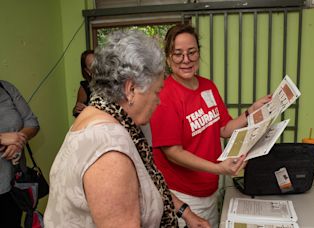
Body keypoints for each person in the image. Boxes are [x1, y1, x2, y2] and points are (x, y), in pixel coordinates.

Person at [44, 30, 210, 228]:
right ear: (130, 89)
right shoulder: (108, 149)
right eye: (156, 92)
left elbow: (150, 182)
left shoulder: (102, 114)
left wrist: (186, 212)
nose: (158, 102)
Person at [150, 24, 271, 227]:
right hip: (183, 197)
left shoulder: (208, 86)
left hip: (210, 190)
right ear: (168, 58)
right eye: (178, 54)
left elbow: (223, 129)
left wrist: (251, 112)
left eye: (192, 52)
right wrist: (218, 168)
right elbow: (173, 152)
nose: (186, 60)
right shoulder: (165, 95)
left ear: (199, 52)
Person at [0, 80, 40, 228]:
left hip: (14, 184)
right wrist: (1, 138)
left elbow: (32, 123)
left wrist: (18, 140)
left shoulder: (6, 88)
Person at [72, 49, 94, 117]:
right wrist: (76, 110)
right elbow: (77, 112)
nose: (96, 67)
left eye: (96, 62)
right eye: (91, 65)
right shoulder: (85, 87)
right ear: (87, 71)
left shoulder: (114, 84)